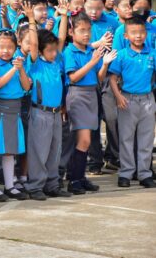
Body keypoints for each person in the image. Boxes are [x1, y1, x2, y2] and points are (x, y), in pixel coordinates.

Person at [22, 1, 72, 200]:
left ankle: (52, 184)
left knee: (54, 151)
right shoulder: (35, 63)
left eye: (54, 50)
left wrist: (65, 16)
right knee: (39, 151)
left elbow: (60, 39)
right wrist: (31, 21)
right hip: (39, 112)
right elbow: (34, 44)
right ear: (41, 51)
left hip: (55, 112)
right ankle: (35, 186)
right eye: (49, 50)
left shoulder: (55, 61)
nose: (54, 53)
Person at [63, 12, 116, 194]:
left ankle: (79, 177)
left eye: (88, 30)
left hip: (92, 94)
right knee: (83, 140)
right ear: (72, 32)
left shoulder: (90, 51)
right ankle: (74, 180)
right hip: (78, 96)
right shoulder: (70, 51)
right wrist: (93, 61)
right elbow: (73, 77)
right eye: (81, 30)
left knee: (84, 141)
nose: (86, 34)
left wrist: (104, 64)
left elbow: (98, 78)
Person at [109, 17, 156, 189]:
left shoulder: (152, 54)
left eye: (141, 32)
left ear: (146, 34)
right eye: (134, 33)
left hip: (147, 100)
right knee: (126, 138)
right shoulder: (121, 55)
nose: (138, 36)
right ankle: (126, 173)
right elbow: (112, 78)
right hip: (127, 100)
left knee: (146, 139)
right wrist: (118, 96)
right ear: (126, 36)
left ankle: (145, 174)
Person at [0, 29, 31, 202]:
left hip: (16, 109)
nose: (5, 51)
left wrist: (20, 70)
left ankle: (9, 185)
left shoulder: (20, 63)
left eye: (10, 47)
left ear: (16, 47)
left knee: (10, 150)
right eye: (1, 47)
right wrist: (14, 69)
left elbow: (27, 87)